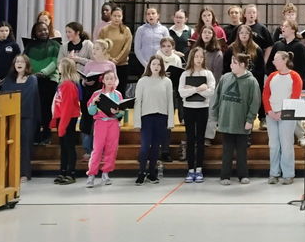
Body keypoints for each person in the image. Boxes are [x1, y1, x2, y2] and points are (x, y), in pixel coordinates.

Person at [212, 53, 260, 185]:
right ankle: (225, 176)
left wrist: (250, 120)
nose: (231, 65)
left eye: (234, 63)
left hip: (241, 122)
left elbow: (254, 102)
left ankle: (243, 175)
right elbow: (216, 98)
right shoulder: (225, 78)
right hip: (226, 121)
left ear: (242, 65)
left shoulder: (251, 81)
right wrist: (215, 117)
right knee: (226, 151)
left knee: (241, 151)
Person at [262, 50, 304, 185]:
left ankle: (288, 174)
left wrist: (283, 112)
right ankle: (274, 173)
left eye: (276, 59)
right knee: (273, 145)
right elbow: (266, 94)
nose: (274, 62)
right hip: (272, 115)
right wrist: (269, 111)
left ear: (285, 60)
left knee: (286, 144)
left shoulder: (295, 76)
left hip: (287, 115)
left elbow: (295, 96)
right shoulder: (272, 76)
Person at [133, 55, 174, 185]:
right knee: (145, 146)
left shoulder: (167, 81)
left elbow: (170, 103)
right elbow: (137, 102)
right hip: (146, 118)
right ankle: (141, 172)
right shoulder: (142, 81)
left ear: (162, 66)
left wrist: (170, 121)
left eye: (158, 64)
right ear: (149, 66)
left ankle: (152, 172)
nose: (156, 67)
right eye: (153, 64)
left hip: (161, 117)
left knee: (156, 147)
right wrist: (137, 122)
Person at [179, 46, 216, 183]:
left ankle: (199, 169)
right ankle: (190, 170)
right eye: (196, 57)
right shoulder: (186, 74)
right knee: (190, 138)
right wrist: (199, 88)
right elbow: (182, 93)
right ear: (192, 58)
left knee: (200, 139)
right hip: (189, 108)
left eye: (201, 57)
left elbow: (210, 92)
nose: (199, 59)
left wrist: (193, 90)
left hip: (202, 108)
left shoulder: (208, 74)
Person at [0, 54, 39, 182]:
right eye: (17, 61)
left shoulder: (32, 79)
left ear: (27, 64)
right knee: (10, 144)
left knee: (25, 145)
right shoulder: (8, 80)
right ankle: (9, 172)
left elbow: (30, 99)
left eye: (22, 61)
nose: (19, 64)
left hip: (27, 116)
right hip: (10, 116)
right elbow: (5, 97)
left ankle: (24, 173)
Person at [85, 70, 126, 188]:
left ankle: (106, 173)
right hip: (100, 123)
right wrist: (93, 102)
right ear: (103, 80)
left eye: (111, 79)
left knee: (111, 149)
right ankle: (91, 174)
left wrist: (117, 112)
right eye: (107, 78)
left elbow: (120, 114)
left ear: (115, 81)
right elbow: (90, 111)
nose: (109, 81)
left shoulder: (118, 94)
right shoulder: (97, 94)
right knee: (97, 149)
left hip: (113, 124)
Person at [25, 21, 62, 146]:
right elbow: (25, 61)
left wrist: (42, 73)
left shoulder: (55, 45)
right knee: (35, 109)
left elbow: (54, 62)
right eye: (40, 30)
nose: (43, 32)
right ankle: (35, 135)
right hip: (32, 81)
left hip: (49, 80)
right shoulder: (30, 46)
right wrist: (31, 74)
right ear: (35, 33)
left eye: (45, 29)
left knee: (46, 109)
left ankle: (47, 134)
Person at [79, 40, 116, 161]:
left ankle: (103, 150)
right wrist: (85, 81)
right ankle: (88, 150)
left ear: (104, 51)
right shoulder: (89, 64)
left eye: (97, 49)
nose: (94, 51)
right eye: (93, 49)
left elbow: (116, 80)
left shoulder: (110, 65)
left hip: (105, 95)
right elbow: (83, 79)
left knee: (103, 124)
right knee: (87, 121)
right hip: (90, 95)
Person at [49, 57, 82, 185]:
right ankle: (62, 171)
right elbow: (58, 104)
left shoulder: (68, 85)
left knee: (69, 146)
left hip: (68, 119)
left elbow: (68, 107)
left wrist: (62, 125)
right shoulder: (62, 84)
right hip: (62, 118)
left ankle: (70, 173)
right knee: (63, 147)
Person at [98, 6, 133, 89]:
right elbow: (100, 46)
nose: (117, 18)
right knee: (106, 89)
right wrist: (110, 59)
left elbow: (127, 48)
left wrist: (117, 60)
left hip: (122, 65)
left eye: (119, 16)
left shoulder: (126, 30)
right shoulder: (104, 30)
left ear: (122, 17)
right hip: (106, 65)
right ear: (111, 16)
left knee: (121, 90)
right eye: (114, 16)